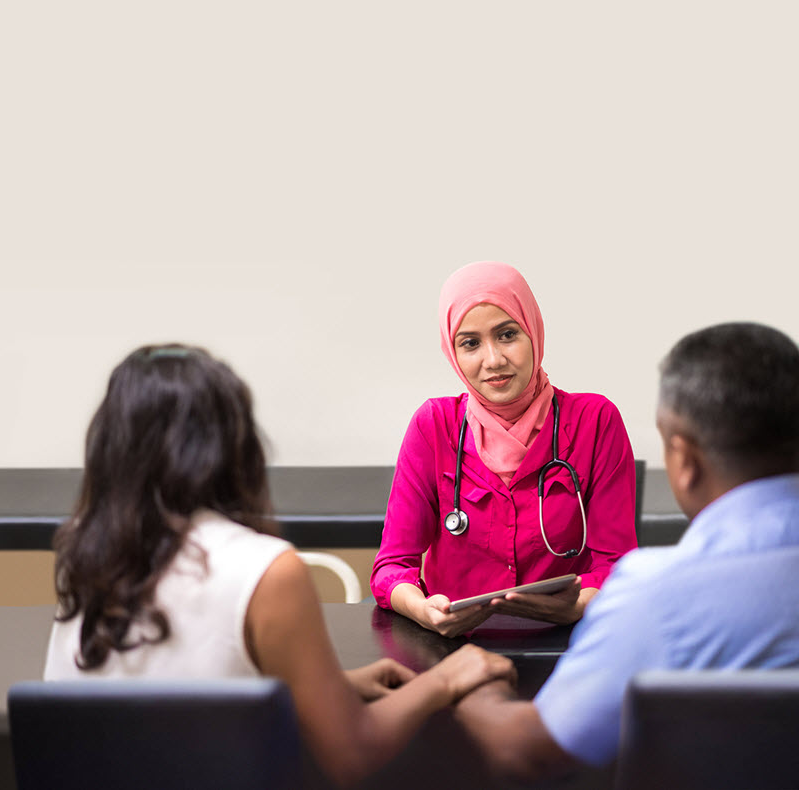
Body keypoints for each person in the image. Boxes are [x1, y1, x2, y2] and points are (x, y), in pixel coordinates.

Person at [44, 344, 515, 788]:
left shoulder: (88, 557)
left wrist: (331, 687)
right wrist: (447, 678)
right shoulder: (266, 570)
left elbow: (166, 698)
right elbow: (352, 752)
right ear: (232, 447)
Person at [452, 321, 799, 779]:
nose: (493, 358)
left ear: (685, 461)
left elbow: (528, 752)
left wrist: (473, 688)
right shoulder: (436, 422)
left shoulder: (655, 595)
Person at [372, 262, 637, 636]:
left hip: (567, 645)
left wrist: (577, 606)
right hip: (453, 653)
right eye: (470, 343)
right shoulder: (433, 426)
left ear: (534, 332)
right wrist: (421, 609)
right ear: (452, 351)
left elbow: (617, 563)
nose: (493, 360)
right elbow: (392, 566)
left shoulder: (596, 421)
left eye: (507, 334)